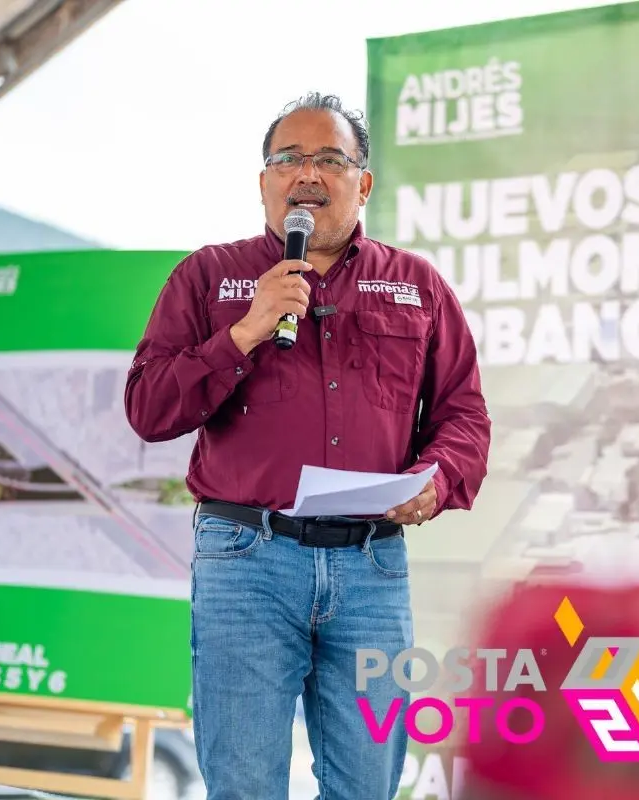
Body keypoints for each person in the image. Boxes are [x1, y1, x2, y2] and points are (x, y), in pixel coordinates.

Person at [124, 93, 491, 800]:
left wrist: (436, 480)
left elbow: (463, 412)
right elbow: (148, 406)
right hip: (247, 565)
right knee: (245, 786)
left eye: (329, 158)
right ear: (264, 183)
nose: (307, 175)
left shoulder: (416, 287)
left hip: (371, 567)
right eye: (287, 159)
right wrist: (244, 332)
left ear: (364, 182)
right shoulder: (207, 278)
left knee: (368, 786)